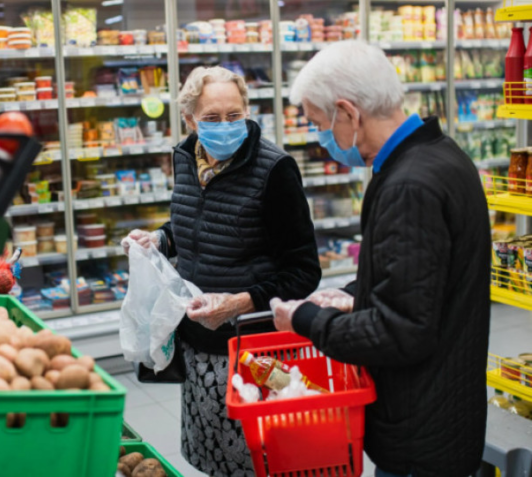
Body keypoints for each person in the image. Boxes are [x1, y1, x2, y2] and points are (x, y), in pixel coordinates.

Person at [270, 40, 490, 477]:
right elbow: (426, 283)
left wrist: (306, 319)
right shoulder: (441, 155)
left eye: (320, 124)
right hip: (446, 409)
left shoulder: (409, 186)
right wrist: (359, 295)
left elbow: (401, 332)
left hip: (420, 435)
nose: (322, 139)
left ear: (348, 113)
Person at [123, 66, 320, 476]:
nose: (226, 126)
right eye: (212, 118)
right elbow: (193, 226)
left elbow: (304, 271)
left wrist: (239, 303)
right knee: (212, 459)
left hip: (254, 351)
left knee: (260, 461)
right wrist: (159, 240)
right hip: (198, 343)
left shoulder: (275, 169)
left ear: (248, 111)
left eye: (235, 115)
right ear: (190, 120)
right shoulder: (185, 158)